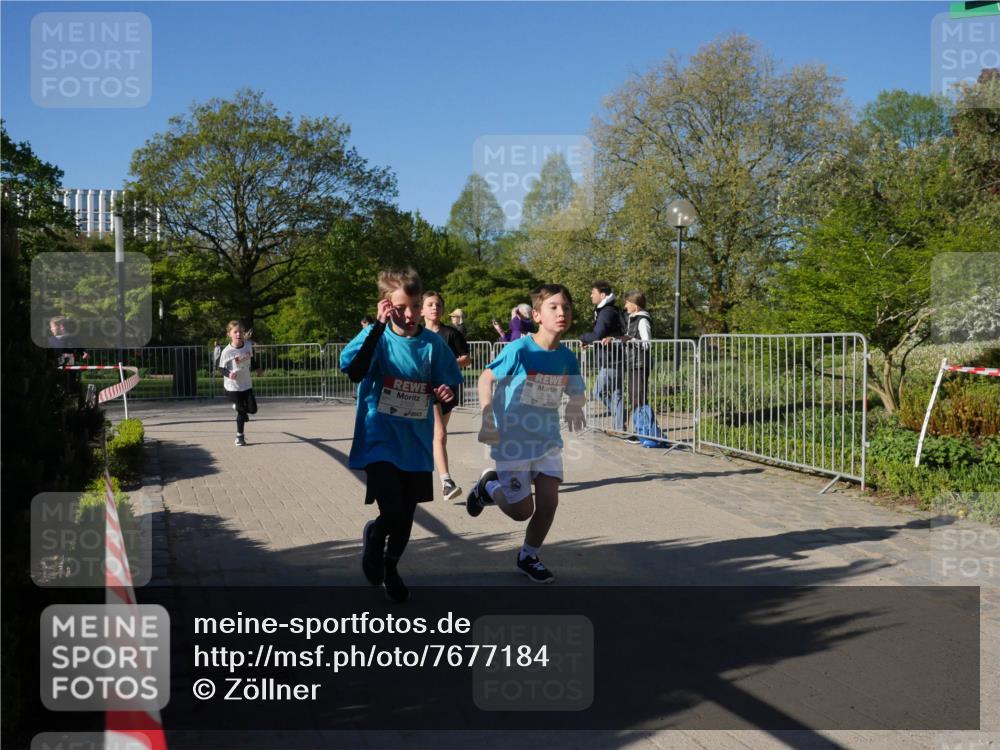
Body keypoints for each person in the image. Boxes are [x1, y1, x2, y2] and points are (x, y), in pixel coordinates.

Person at [340, 268, 462, 603]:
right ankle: (375, 536)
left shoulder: (432, 344)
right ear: (386, 306)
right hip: (379, 438)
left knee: (406, 517)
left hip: (415, 444)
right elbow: (354, 371)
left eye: (416, 306)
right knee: (392, 510)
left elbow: (449, 385)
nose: (409, 315)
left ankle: (391, 567)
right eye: (401, 308)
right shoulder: (376, 337)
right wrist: (378, 328)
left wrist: (445, 393)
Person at [466, 284, 586, 584]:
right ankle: (487, 488)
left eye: (566, 308)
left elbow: (577, 392)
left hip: (546, 441)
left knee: (549, 502)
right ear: (537, 315)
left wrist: (576, 406)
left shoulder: (568, 359)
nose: (562, 313)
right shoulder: (519, 349)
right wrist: (486, 414)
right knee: (522, 511)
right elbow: (485, 378)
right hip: (513, 443)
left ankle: (528, 556)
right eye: (554, 307)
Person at [421, 291, 471, 500]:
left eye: (438, 305)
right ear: (421, 309)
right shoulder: (415, 334)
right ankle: (446, 481)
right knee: (437, 434)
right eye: (430, 304)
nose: (435, 308)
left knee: (436, 436)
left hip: (447, 391)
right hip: (421, 391)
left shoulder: (451, 334)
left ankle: (441, 480)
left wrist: (446, 363)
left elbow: (466, 359)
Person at [579, 280, 625, 432]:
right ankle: (619, 426)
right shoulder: (611, 310)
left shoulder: (606, 312)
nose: (591, 295)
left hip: (611, 359)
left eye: (593, 292)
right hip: (616, 357)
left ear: (603, 295)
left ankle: (621, 417)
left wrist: (583, 337)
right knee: (617, 394)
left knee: (598, 392)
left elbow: (598, 335)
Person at [218, 321, 258, 447]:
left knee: (253, 410)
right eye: (235, 332)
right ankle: (239, 437)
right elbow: (220, 368)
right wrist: (229, 374)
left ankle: (238, 407)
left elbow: (251, 359)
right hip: (232, 387)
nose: (238, 334)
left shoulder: (247, 345)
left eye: (240, 331)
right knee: (242, 412)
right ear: (229, 334)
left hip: (246, 384)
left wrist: (257, 368)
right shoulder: (227, 351)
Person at [622, 291, 653, 444]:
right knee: (634, 397)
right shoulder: (632, 319)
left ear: (634, 305)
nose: (625, 306)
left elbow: (647, 343)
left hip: (640, 363)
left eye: (627, 302)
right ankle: (640, 430)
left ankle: (643, 432)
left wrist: (631, 339)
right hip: (633, 363)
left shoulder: (642, 320)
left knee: (639, 397)